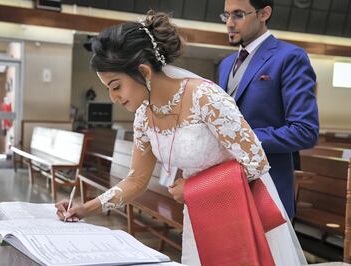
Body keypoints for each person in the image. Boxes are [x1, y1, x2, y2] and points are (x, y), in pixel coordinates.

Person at [56, 11, 307, 265]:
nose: (113, 97)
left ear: (143, 71)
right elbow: (136, 179)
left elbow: (256, 162)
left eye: (116, 86)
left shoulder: (205, 97)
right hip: (199, 215)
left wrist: (193, 188)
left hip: (240, 212)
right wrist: (86, 208)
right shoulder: (144, 115)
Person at [217, 0, 319, 219]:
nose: (230, 23)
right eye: (226, 16)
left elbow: (305, 131)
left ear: (264, 13)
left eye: (238, 15)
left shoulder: (290, 57)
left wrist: (242, 139)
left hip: (269, 189)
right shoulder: (226, 64)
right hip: (227, 188)